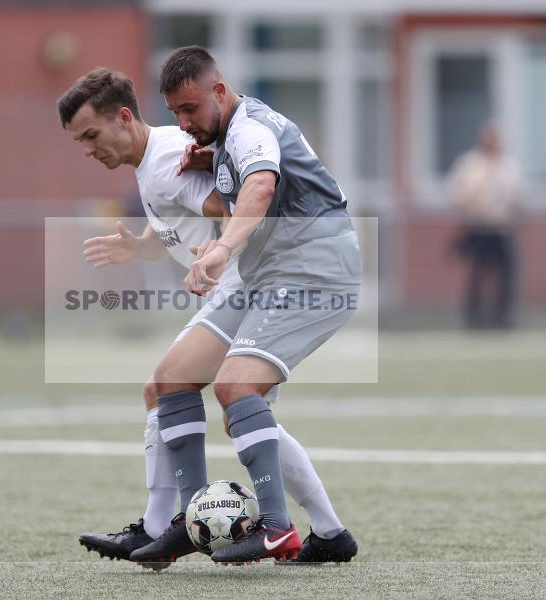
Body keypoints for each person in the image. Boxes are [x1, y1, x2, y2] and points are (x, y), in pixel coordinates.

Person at [57, 68, 356, 567]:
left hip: (273, 274)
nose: (87, 149)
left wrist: (220, 245)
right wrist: (144, 247)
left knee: (234, 394)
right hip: (253, 275)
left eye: (90, 135)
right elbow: (190, 215)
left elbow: (233, 200)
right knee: (173, 385)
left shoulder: (173, 154)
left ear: (124, 118)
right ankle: (190, 525)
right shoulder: (161, 156)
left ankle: (269, 528)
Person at [448, 122, 522, 330]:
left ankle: (503, 316)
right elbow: (459, 194)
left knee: (506, 275)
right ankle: (474, 318)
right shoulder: (470, 164)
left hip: (502, 228)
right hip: (478, 227)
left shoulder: (509, 165)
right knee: (477, 275)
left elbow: (518, 195)